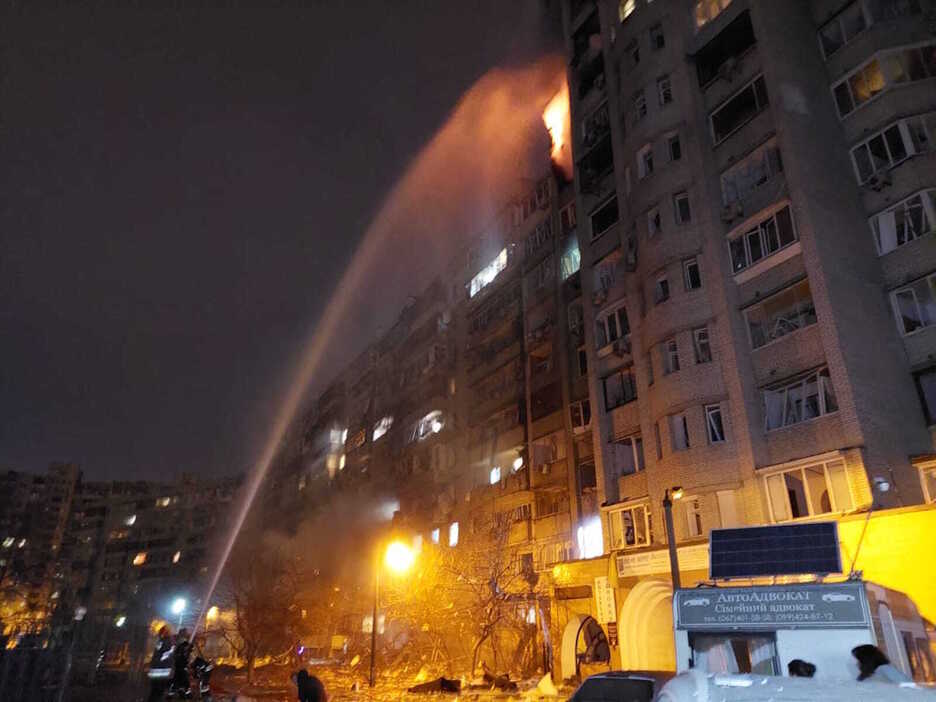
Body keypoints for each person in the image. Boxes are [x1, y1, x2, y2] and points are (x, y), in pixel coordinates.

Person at [147, 625, 175, 702]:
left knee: (155, 692)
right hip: (162, 672)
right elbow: (167, 657)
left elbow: (162, 656)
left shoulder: (162, 642)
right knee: (158, 693)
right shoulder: (167, 642)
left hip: (158, 671)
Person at [170, 627, 194, 698]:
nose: (187, 634)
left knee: (178, 679)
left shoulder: (177, 642)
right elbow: (185, 653)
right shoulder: (182, 643)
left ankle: (179, 693)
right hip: (181, 665)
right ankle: (186, 694)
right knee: (183, 679)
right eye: (185, 633)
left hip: (178, 665)